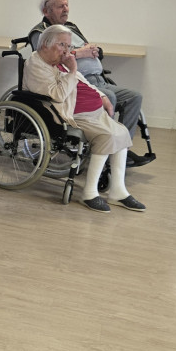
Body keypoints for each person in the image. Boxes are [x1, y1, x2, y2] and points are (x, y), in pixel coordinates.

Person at [23, 24, 146, 213]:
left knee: (120, 132)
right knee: (106, 136)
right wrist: (71, 70)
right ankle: (89, 193)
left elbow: (83, 81)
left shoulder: (58, 61)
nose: (67, 51)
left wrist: (101, 96)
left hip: (93, 111)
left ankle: (118, 191)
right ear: (46, 44)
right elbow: (57, 95)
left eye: (69, 46)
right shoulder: (36, 64)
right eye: (62, 45)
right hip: (72, 114)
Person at [28, 0, 148, 167]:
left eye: (67, 5)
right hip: (76, 81)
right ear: (47, 11)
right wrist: (80, 53)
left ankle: (122, 147)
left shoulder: (71, 28)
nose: (66, 9)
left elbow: (90, 49)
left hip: (98, 79)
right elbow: (50, 58)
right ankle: (102, 149)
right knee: (109, 98)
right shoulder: (41, 32)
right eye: (61, 6)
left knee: (134, 96)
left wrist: (95, 51)